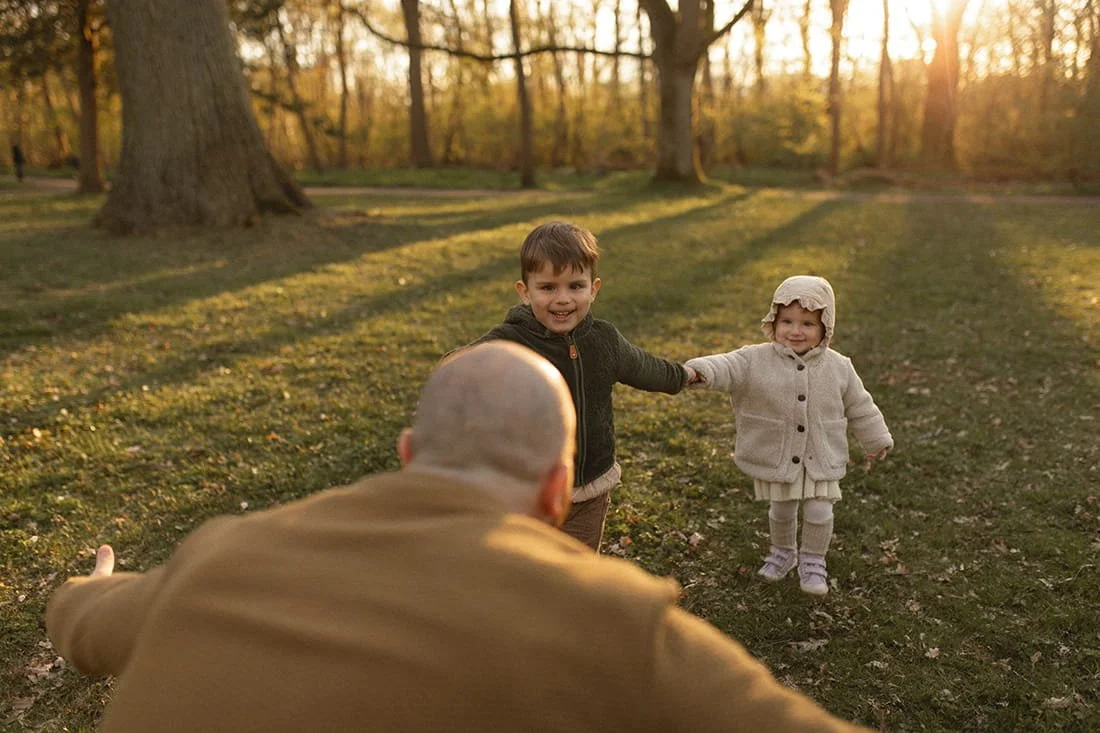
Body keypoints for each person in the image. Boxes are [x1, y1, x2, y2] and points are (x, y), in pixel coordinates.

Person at [47, 342, 867, 732]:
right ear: (557, 489)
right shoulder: (607, 618)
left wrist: (98, 581)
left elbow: (81, 622)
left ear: (409, 456)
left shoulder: (217, 555)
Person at [464, 220, 696, 551]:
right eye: (547, 288)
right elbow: (459, 366)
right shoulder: (511, 341)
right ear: (525, 291)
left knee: (578, 565)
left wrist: (682, 376)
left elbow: (644, 367)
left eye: (575, 286)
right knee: (529, 561)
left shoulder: (604, 340)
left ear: (594, 288)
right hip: (531, 489)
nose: (563, 300)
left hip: (590, 488)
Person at [685, 275, 893, 596]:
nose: (795, 331)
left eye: (807, 323)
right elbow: (727, 365)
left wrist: (876, 439)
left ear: (825, 328)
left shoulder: (839, 367)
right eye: (787, 321)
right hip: (779, 454)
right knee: (781, 509)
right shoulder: (755, 359)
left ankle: (813, 559)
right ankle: (783, 552)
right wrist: (700, 370)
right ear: (774, 322)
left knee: (819, 510)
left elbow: (860, 405)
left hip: (820, 455)